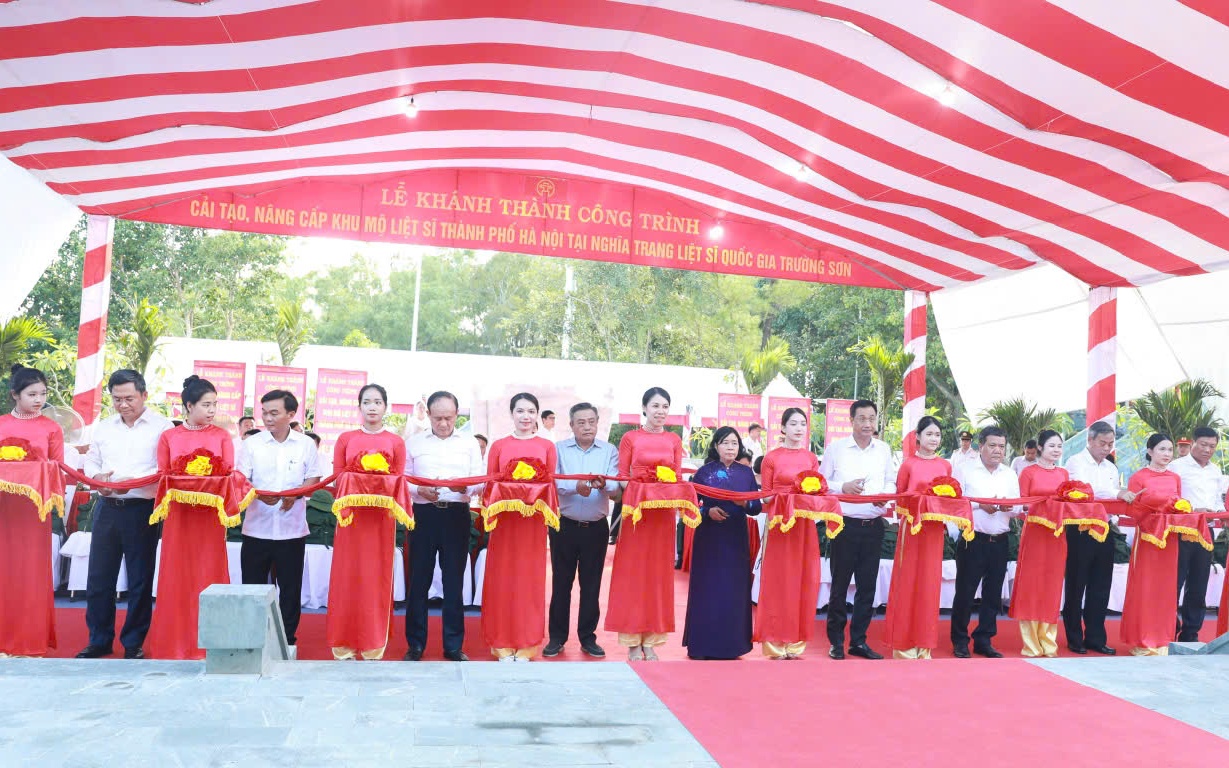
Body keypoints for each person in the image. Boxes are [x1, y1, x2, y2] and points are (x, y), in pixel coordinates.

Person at [77, 369, 171, 660]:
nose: (123, 405)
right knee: (99, 577)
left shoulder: (163, 427)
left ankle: (133, 642)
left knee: (140, 579)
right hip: (107, 507)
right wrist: (100, 478)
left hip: (142, 509)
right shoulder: (104, 427)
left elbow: (164, 470)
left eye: (129, 398)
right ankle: (100, 639)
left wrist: (126, 483)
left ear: (144, 395)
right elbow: (91, 461)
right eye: (117, 399)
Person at [146, 376, 237, 660]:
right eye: (206, 405)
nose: (212, 410)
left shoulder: (222, 436)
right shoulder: (169, 437)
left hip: (209, 520)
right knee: (177, 575)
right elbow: (163, 474)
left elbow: (229, 474)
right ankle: (174, 644)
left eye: (215, 404)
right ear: (188, 405)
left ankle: (211, 643)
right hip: (180, 519)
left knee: (209, 573)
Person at [606, 387, 693, 661]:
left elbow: (677, 476)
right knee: (633, 574)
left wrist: (663, 490)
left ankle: (652, 640)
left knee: (657, 575)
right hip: (637, 513)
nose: (660, 411)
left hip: (662, 515)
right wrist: (640, 488)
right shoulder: (630, 438)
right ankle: (632, 640)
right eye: (655, 406)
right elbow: (622, 475)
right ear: (644, 408)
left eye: (665, 406)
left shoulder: (673, 440)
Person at [325, 383, 405, 660]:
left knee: (376, 576)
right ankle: (343, 642)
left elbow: (399, 482)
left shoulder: (396, 442)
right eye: (367, 402)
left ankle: (373, 643)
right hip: (351, 520)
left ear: (386, 407)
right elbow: (337, 478)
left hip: (381, 521)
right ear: (359, 406)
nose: (372, 407)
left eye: (377, 402)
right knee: (347, 575)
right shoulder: (346, 439)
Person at [404, 391, 484, 661]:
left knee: (453, 582)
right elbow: (404, 479)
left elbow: (481, 480)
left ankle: (453, 645)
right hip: (423, 515)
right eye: (437, 418)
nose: (443, 423)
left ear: (457, 414)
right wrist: (419, 491)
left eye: (449, 418)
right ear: (428, 415)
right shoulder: (414, 442)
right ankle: (415, 644)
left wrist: (466, 487)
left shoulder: (470, 443)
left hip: (456, 514)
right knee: (419, 580)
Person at [237, 390, 321, 647]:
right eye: (265, 412)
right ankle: (253, 638)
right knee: (252, 588)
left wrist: (296, 496)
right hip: (256, 529)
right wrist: (258, 495)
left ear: (291, 415)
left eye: (274, 413)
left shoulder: (306, 444)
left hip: (292, 531)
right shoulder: (252, 444)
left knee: (290, 590)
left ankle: (286, 640)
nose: (268, 418)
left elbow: (314, 477)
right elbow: (241, 479)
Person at [481, 393, 558, 661]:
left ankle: (526, 644)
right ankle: (501, 644)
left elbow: (550, 486)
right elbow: (490, 485)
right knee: (503, 580)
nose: (526, 417)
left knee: (529, 582)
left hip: (532, 525)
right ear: (511, 414)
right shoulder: (499, 446)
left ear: (537, 414)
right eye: (520, 411)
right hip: (504, 524)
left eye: (531, 411)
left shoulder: (547, 446)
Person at [819, 399, 895, 660]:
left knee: (867, 587)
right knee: (839, 586)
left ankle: (859, 641)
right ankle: (836, 642)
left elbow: (891, 481)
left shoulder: (883, 449)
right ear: (851, 420)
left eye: (871, 418)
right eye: (861, 418)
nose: (867, 423)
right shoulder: (836, 449)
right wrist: (843, 487)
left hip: (873, 526)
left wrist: (886, 495)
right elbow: (820, 483)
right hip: (844, 526)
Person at [545, 403, 618, 659]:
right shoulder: (558, 450)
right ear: (572, 425)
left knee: (591, 585)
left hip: (596, 528)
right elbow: (552, 482)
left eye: (591, 422)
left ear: (598, 422)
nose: (587, 427)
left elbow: (616, 486)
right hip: (564, 525)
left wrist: (604, 484)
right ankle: (557, 638)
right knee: (561, 584)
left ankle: (588, 638)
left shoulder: (609, 451)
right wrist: (575, 487)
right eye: (581, 422)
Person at [0, 365, 64, 657]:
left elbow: (57, 469)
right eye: (32, 394)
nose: (39, 399)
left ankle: (29, 640)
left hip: (34, 514)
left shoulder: (51, 428)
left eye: (43, 394)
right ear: (15, 395)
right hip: (4, 511)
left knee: (31, 573)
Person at [684, 427, 761, 660]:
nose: (730, 447)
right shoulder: (704, 473)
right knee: (708, 589)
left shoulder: (746, 474)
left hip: (735, 539)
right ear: (716, 446)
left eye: (734, 443)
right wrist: (707, 512)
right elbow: (690, 505)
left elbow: (756, 507)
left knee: (733, 591)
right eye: (725, 442)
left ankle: (732, 646)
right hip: (709, 538)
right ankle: (703, 646)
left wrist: (743, 504)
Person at [1063, 420, 1135, 655]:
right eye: (1102, 443)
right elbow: (1087, 491)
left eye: (1110, 443)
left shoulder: (1111, 468)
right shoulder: (1075, 462)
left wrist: (1117, 505)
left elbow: (1113, 500)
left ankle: (1095, 637)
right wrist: (1118, 493)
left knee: (1100, 586)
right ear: (1090, 440)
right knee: (1076, 584)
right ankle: (1074, 637)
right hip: (1081, 529)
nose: (1106, 448)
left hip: (1105, 528)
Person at [753, 408, 820, 659]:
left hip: (803, 524)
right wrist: (787, 496)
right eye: (793, 424)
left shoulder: (811, 458)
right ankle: (774, 642)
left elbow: (817, 491)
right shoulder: (771, 458)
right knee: (778, 581)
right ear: (782, 428)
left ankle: (795, 642)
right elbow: (766, 495)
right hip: (780, 524)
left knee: (801, 580)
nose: (799, 428)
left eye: (802, 424)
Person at [884, 416, 951, 659]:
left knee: (930, 585)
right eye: (930, 434)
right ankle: (904, 644)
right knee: (909, 582)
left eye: (937, 435)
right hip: (912, 530)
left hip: (934, 531)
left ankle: (924, 644)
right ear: (918, 437)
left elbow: (951, 499)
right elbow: (900, 497)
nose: (934, 439)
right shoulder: (908, 465)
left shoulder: (945, 466)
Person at [950, 426, 1020, 659]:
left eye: (1001, 446)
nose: (997, 451)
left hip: (1000, 540)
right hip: (973, 539)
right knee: (965, 592)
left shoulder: (1009, 474)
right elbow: (955, 503)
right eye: (992, 445)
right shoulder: (964, 470)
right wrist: (981, 505)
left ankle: (984, 639)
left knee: (993, 594)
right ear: (981, 446)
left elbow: (1018, 507)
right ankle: (960, 640)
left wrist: (1010, 507)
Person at [1121, 433, 1184, 655]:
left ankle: (1162, 639)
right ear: (1150, 452)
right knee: (1146, 587)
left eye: (1169, 450)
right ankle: (1143, 640)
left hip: (1169, 539)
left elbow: (1180, 505)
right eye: (1162, 450)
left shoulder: (1175, 478)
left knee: (1165, 589)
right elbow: (1133, 509)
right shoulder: (1139, 477)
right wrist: (1153, 515)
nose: (1167, 454)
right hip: (1148, 538)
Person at [1009, 430, 1069, 658]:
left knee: (1052, 584)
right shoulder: (1028, 472)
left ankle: (1048, 642)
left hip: (1056, 533)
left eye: (1059, 446)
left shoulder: (1064, 473)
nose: (1056, 450)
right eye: (1052, 446)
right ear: (1041, 447)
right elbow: (1021, 503)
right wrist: (1042, 504)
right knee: (1032, 584)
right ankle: (1031, 643)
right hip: (1035, 531)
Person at [1170, 427, 1224, 642]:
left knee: (1199, 582)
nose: (1207, 450)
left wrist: (1219, 512)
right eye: (1203, 444)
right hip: (1183, 529)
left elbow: (1217, 500)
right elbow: (1171, 500)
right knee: (1175, 580)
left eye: (1212, 446)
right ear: (1193, 442)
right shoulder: (1176, 467)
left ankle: (1191, 632)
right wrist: (1194, 510)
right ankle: (1169, 627)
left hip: (1206, 530)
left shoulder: (1215, 470)